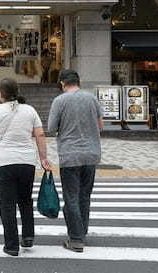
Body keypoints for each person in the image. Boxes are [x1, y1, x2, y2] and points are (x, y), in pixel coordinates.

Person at [0, 78, 52, 256]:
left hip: (5, 162)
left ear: (0, 94)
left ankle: (11, 245)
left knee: (7, 204)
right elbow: (40, 135)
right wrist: (43, 158)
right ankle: (28, 237)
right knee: (25, 200)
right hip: (27, 162)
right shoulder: (30, 110)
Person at [47, 70, 103, 253]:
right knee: (84, 196)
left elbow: (51, 127)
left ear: (63, 83)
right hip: (91, 154)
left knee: (71, 197)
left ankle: (76, 238)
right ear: (78, 82)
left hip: (70, 155)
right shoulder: (92, 99)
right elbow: (100, 125)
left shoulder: (60, 101)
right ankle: (81, 233)